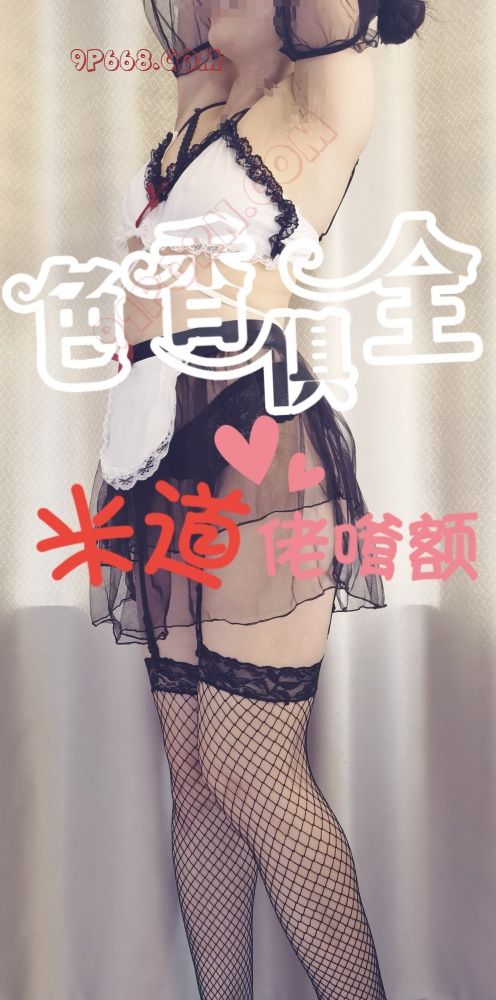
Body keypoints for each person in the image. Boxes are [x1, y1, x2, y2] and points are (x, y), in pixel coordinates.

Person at [89, 1, 426, 997]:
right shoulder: (205, 103)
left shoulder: (323, 96)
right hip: (152, 437)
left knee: (252, 768)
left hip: (253, 431)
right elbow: (189, 43)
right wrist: (202, 57)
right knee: (196, 781)